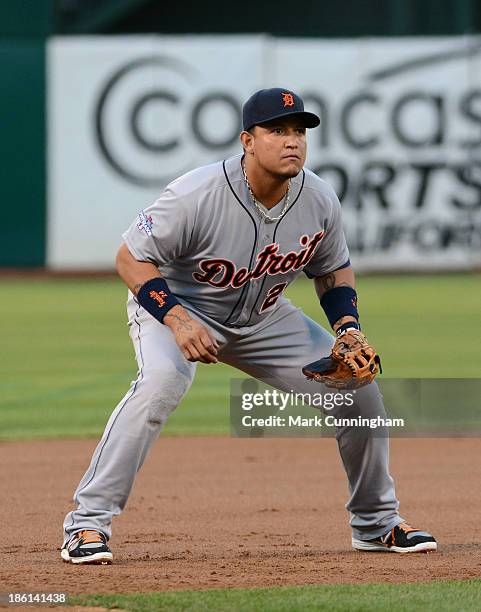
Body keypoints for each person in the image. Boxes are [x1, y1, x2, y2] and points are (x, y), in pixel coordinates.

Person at [61, 88, 437, 564]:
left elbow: (332, 268)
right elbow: (131, 258)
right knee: (160, 383)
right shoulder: (195, 194)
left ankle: (376, 523)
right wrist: (175, 319)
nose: (292, 141)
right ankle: (87, 525)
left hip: (264, 316)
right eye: (277, 130)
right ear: (247, 140)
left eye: (299, 131)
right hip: (179, 307)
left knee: (359, 392)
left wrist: (347, 327)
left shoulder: (319, 198)